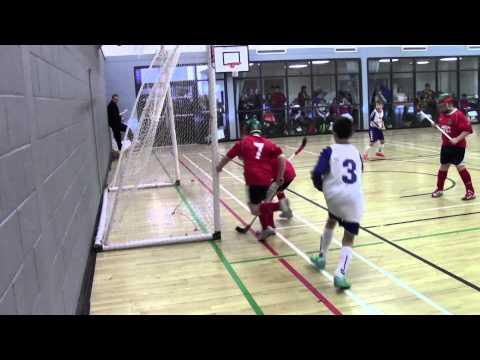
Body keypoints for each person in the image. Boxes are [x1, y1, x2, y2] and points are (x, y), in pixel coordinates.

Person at [310, 116, 364, 290]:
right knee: (349, 237)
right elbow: (361, 171)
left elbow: (317, 173)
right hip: (353, 198)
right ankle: (340, 273)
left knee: (331, 219)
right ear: (352, 133)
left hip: (333, 197)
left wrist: (322, 188)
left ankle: (321, 257)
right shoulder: (356, 151)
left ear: (333, 133)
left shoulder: (329, 150)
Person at [216, 118, 287, 240]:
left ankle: (279, 206)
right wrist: (280, 176)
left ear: (248, 130)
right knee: (263, 205)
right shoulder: (268, 143)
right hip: (267, 179)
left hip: (252, 178)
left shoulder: (243, 142)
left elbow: (228, 156)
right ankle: (267, 228)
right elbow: (282, 157)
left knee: (254, 209)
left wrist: (219, 167)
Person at [432, 95, 476, 201]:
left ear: (449, 104)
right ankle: (439, 189)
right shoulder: (442, 113)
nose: (440, 109)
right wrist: (436, 125)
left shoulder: (458, 115)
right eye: (439, 106)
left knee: (460, 167)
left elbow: (468, 130)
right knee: (443, 166)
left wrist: (457, 139)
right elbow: (444, 126)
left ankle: (471, 191)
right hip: (446, 145)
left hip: (458, 147)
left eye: (442, 106)